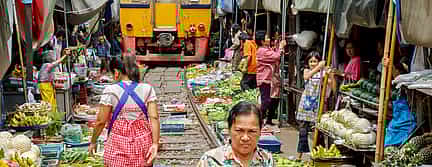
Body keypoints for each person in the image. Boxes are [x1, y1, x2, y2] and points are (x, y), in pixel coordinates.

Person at [89, 55, 160, 167]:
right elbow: (154, 118)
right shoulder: (148, 89)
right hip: (143, 144)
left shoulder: (110, 91)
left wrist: (93, 141)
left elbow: (100, 121)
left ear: (116, 72)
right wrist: (155, 143)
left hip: (118, 145)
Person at [197, 101, 274, 167]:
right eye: (239, 130)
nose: (245, 138)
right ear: (229, 130)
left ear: (260, 132)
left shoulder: (266, 159)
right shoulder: (210, 160)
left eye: (252, 131)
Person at [296, 51, 336, 159]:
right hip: (306, 104)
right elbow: (307, 76)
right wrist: (319, 66)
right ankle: (299, 156)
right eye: (311, 61)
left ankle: (318, 156)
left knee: (319, 131)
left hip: (317, 105)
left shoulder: (322, 73)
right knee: (303, 131)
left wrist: (330, 75)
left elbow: (333, 88)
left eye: (315, 61)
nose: (313, 63)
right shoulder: (307, 71)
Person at [255, 31, 286, 125]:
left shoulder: (266, 49)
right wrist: (280, 47)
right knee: (266, 101)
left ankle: (267, 120)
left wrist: (278, 45)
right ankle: (259, 120)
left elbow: (275, 53)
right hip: (265, 79)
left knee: (273, 99)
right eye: (267, 38)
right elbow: (276, 56)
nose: (269, 39)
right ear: (262, 41)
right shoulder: (262, 51)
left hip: (271, 78)